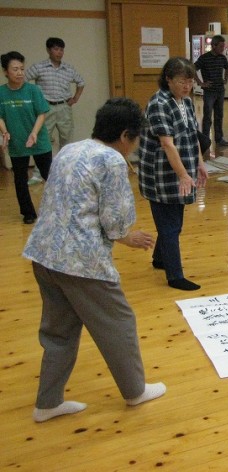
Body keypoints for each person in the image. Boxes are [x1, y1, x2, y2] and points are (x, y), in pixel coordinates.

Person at [22, 98, 166, 422]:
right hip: (79, 260)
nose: (134, 147)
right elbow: (116, 218)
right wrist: (126, 236)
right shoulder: (112, 159)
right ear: (126, 135)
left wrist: (118, 234)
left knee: (59, 330)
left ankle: (47, 403)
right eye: (136, 140)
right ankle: (135, 390)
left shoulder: (70, 149)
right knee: (119, 322)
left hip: (43, 253)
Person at [138, 57, 208, 291]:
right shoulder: (159, 103)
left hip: (182, 166)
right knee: (170, 225)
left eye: (190, 81)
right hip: (161, 172)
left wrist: (199, 163)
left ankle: (160, 258)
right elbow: (167, 144)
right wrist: (182, 175)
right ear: (168, 80)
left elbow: (192, 135)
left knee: (173, 221)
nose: (187, 86)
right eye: (181, 81)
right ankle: (174, 275)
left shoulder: (186, 101)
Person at [0, 51, 52, 224]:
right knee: (20, 179)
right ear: (6, 72)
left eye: (22, 68)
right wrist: (4, 132)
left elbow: (42, 113)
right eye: (15, 69)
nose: (20, 72)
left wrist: (34, 133)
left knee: (50, 176)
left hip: (39, 140)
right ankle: (28, 213)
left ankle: (57, 208)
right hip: (17, 142)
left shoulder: (33, 90)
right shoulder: (1, 93)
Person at [25, 37, 85, 184]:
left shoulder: (68, 69)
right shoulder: (39, 67)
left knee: (67, 140)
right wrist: (36, 100)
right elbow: (24, 80)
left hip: (64, 106)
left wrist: (75, 98)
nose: (59, 52)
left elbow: (81, 82)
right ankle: (39, 174)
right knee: (43, 140)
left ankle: (65, 171)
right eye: (56, 49)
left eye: (61, 49)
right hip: (46, 108)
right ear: (48, 50)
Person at [194, 35, 228, 147]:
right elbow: (192, 69)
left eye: (223, 46)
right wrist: (201, 83)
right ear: (213, 46)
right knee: (208, 116)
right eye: (221, 46)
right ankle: (205, 139)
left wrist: (225, 79)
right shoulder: (204, 58)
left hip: (220, 91)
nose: (222, 48)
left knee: (219, 116)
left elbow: (227, 68)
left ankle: (219, 139)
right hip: (209, 92)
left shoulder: (222, 58)